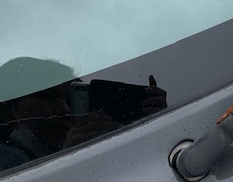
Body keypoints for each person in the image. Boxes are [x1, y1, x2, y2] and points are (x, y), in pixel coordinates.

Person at [0, 57, 166, 171]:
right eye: (47, 97)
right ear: (8, 113)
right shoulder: (8, 163)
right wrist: (68, 161)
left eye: (70, 100)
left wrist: (155, 131)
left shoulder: (90, 137)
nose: (65, 109)